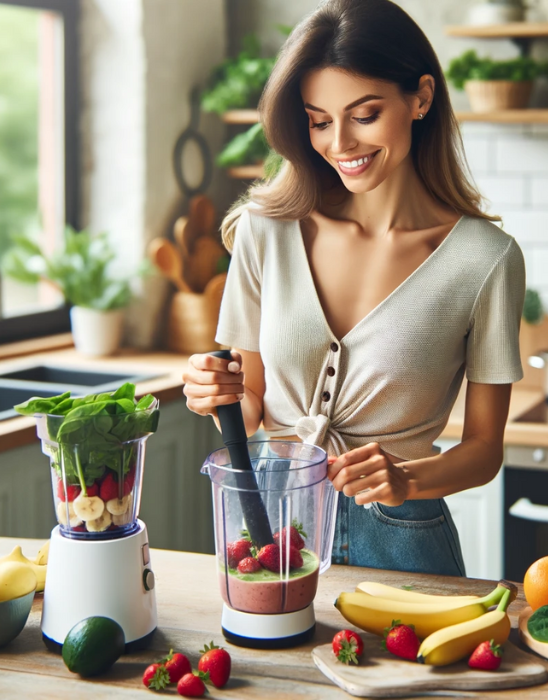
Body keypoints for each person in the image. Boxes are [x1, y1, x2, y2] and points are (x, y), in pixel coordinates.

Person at [182, 0, 524, 577]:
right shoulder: (265, 231)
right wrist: (211, 394)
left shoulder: (485, 261)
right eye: (319, 120)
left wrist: (405, 477)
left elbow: (484, 451)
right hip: (270, 518)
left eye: (364, 114)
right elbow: (251, 403)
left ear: (420, 98)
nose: (339, 142)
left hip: (405, 540)